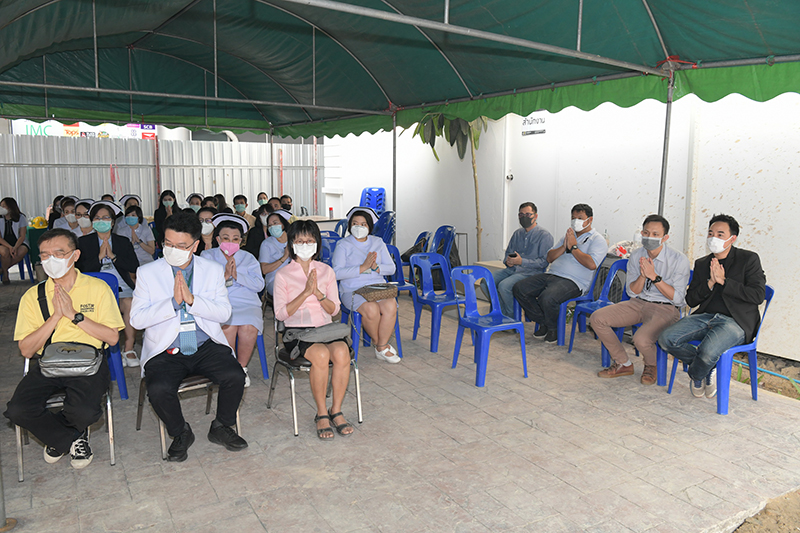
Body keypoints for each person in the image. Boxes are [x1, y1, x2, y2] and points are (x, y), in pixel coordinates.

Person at [130, 211, 247, 461]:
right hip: (166, 348)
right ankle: (180, 432)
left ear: (195, 245)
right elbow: (137, 320)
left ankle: (221, 426)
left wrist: (192, 301)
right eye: (168, 244)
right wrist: (173, 303)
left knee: (235, 376)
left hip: (205, 343)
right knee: (159, 389)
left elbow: (224, 313)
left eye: (181, 246)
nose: (173, 250)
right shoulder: (148, 273)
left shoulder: (212, 270)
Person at [4, 229, 124, 469]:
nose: (51, 260)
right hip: (49, 361)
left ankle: (60, 435)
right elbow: (27, 350)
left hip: (89, 362)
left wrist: (74, 315)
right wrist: (55, 317)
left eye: (59, 253)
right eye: (45, 255)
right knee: (18, 410)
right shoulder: (33, 296)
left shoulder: (97, 288)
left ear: (75, 255)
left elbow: (112, 338)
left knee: (85, 412)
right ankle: (69, 437)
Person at [659, 214, 766, 399]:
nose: (713, 238)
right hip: (705, 317)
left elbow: (757, 295)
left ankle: (697, 374)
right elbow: (691, 300)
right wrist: (710, 282)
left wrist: (724, 281)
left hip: (736, 321)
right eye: (710, 233)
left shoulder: (748, 259)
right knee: (666, 339)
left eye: (720, 234)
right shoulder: (702, 263)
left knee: (708, 352)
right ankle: (706, 368)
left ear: (732, 238)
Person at [274, 219, 354, 439]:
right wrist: (305, 293)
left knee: (342, 352)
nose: (305, 245)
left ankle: (336, 410)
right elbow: (280, 314)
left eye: (309, 240)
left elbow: (335, 309)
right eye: (300, 241)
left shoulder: (326, 271)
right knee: (320, 354)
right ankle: (321, 413)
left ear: (317, 243)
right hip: (297, 331)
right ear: (292, 244)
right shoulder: (283, 275)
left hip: (325, 329)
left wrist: (317, 293)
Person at [592, 215, 690, 384]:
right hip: (638, 303)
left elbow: (679, 299)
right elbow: (632, 291)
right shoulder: (637, 255)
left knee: (641, 339)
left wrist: (654, 277)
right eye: (646, 232)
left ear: (665, 237)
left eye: (655, 234)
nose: (649, 237)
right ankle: (623, 363)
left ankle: (651, 365)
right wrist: (643, 276)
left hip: (666, 308)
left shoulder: (678, 259)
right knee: (597, 318)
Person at [512, 203, 607, 343]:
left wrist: (573, 247)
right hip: (552, 274)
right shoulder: (568, 235)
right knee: (520, 288)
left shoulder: (597, 239)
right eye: (573, 218)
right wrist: (564, 245)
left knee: (547, 297)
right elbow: (549, 258)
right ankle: (545, 322)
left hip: (575, 281)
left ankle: (553, 329)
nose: (575, 221)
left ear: (590, 219)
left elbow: (592, 264)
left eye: (580, 218)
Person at [201, 213, 265, 387]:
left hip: (247, 302)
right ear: (218, 239)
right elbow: (203, 285)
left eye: (235, 239)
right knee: (228, 326)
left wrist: (237, 275)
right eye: (226, 238)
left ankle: (241, 368)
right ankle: (229, 368)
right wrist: (225, 276)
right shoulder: (207, 256)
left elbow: (259, 285)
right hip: (220, 302)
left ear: (241, 241)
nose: (231, 242)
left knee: (248, 326)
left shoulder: (248, 258)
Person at [76, 201, 140, 366]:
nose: (101, 221)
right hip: (94, 288)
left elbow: (134, 266)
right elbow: (80, 270)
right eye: (97, 218)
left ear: (112, 222)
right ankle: (102, 349)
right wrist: (99, 257)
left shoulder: (122, 241)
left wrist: (113, 257)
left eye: (105, 217)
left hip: (121, 286)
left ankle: (129, 348)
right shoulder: (83, 242)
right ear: (92, 222)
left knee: (130, 303)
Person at [332, 207, 399, 363]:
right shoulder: (343, 244)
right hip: (352, 289)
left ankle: (381, 346)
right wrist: (362, 268)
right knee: (371, 309)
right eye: (355, 223)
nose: (359, 227)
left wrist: (376, 268)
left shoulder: (377, 242)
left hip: (376, 288)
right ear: (350, 225)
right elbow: (336, 273)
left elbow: (392, 268)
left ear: (369, 226)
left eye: (363, 224)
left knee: (391, 306)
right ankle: (380, 345)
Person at [489, 202, 553, 317]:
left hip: (531, 273)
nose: (524, 217)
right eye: (521, 215)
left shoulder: (544, 236)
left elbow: (544, 262)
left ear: (535, 216)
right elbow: (508, 253)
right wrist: (508, 261)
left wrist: (522, 261)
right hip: (512, 269)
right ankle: (501, 313)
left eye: (528, 214)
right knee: (486, 282)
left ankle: (511, 317)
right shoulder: (517, 234)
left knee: (504, 286)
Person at [259, 210, 291, 296]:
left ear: (283, 224)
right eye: (269, 225)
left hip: (294, 277)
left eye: (275, 223)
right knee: (284, 292)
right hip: (275, 280)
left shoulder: (293, 239)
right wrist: (284, 257)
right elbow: (264, 270)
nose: (272, 226)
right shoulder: (266, 244)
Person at [1, 197, 30, 285]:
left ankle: (3, 270)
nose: (1, 208)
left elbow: (22, 236)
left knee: (22, 251)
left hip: (18, 242)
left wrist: (15, 247)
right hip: (3, 243)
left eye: (3, 206)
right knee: (5, 252)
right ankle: (5, 274)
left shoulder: (21, 217)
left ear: (10, 207)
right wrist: (10, 247)